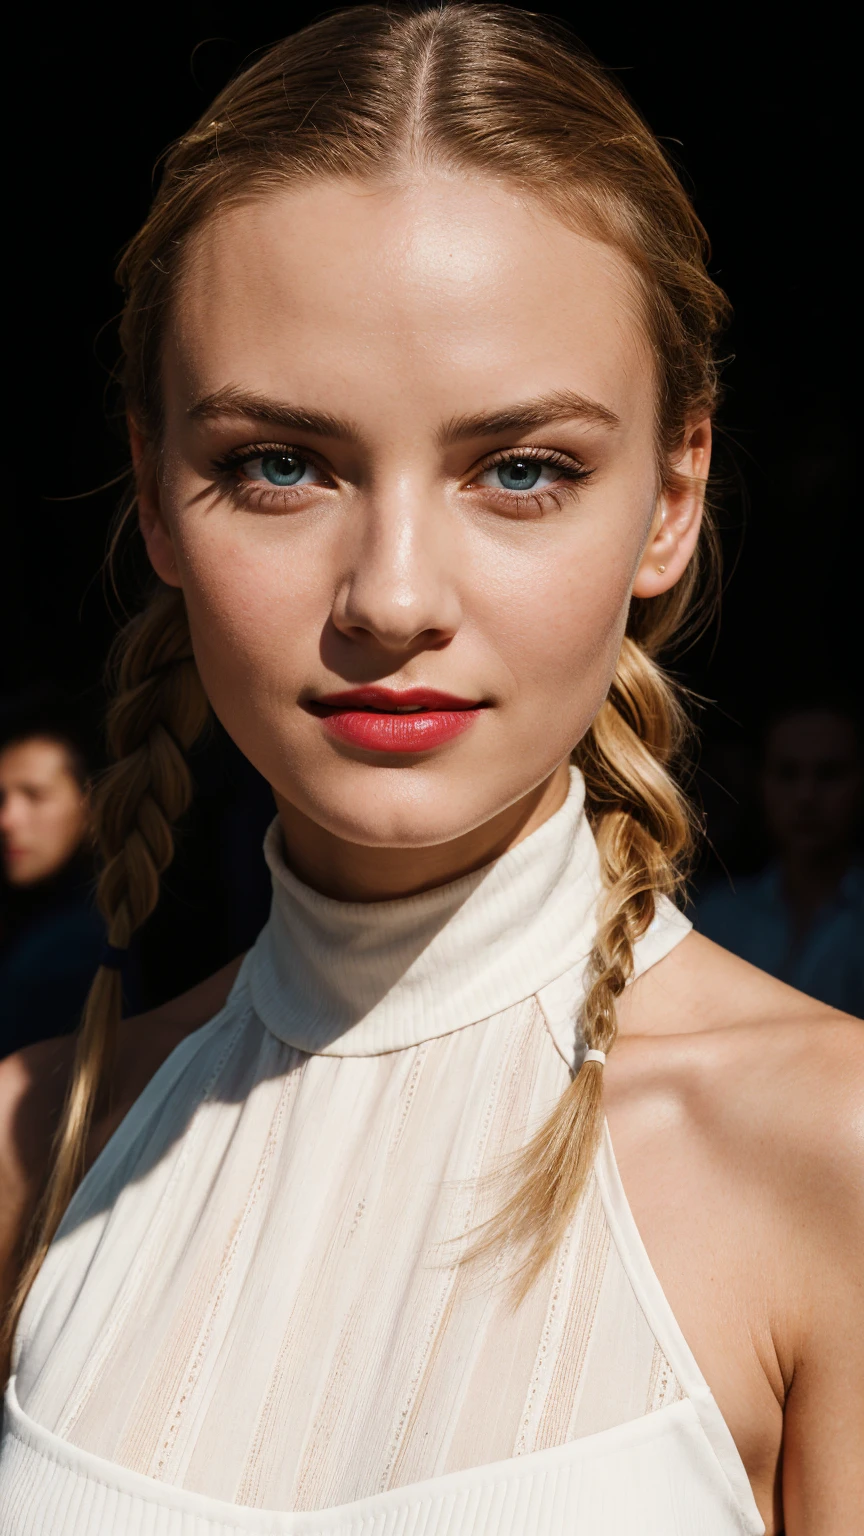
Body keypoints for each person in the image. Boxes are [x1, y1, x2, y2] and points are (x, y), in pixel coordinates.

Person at [0, 8, 860, 1534]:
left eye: (520, 469)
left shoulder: (831, 1159)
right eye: (282, 463)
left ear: (673, 499)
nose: (392, 596)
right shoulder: (33, 1150)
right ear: (153, 494)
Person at [697, 703, 863, 1015]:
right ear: (761, 784)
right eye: (787, 774)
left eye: (829, 774)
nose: (806, 796)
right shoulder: (716, 918)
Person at [0, 724, 104, 1055]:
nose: (7, 820)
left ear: (88, 803)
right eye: (1, 799)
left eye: (35, 795)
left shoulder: (85, 943)